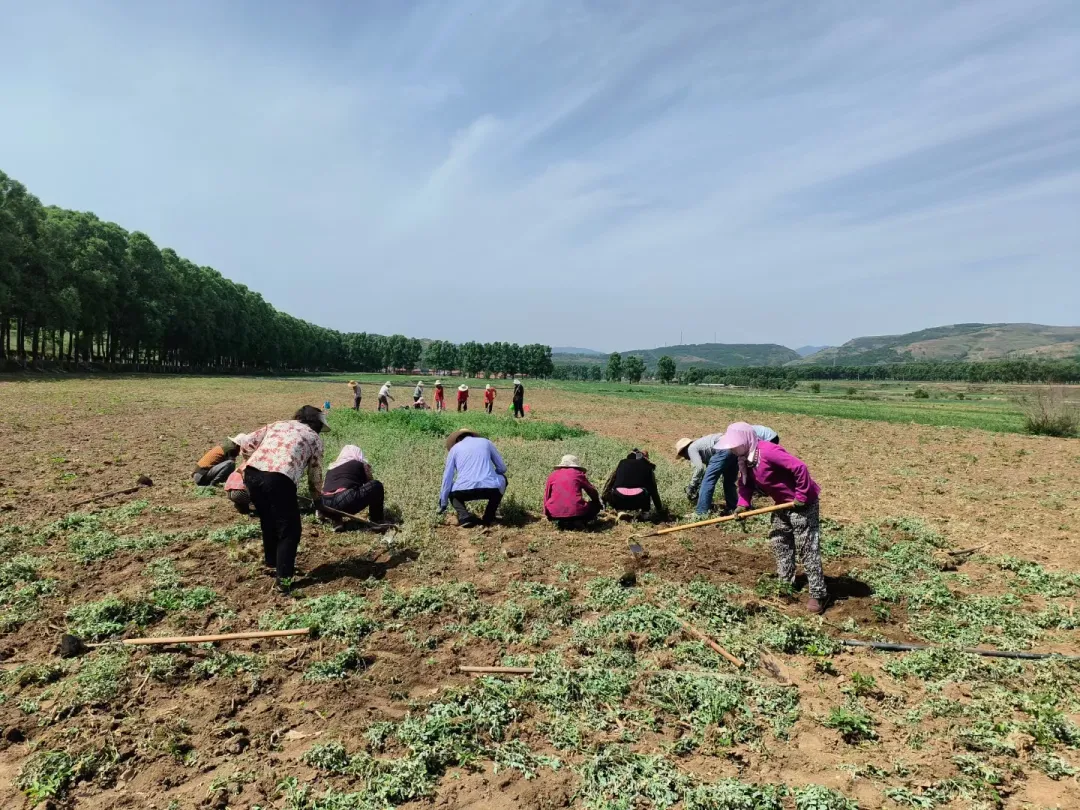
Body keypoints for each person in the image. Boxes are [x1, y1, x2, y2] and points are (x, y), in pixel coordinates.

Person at [719, 422, 827, 614]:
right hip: (781, 504)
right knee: (779, 541)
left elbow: (800, 468)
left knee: (806, 546)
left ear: (746, 440)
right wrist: (742, 504)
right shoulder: (745, 460)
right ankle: (786, 584)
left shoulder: (767, 451)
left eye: (735, 445)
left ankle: (818, 593)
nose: (732, 450)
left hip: (802, 503)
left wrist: (801, 496)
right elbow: (745, 484)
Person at [241, 406, 328, 588]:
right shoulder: (314, 438)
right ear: (315, 423)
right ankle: (284, 580)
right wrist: (318, 499)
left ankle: (272, 561)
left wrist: (249, 460)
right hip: (279, 479)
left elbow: (247, 442)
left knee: (268, 519)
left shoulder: (278, 425)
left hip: (252, 474)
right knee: (290, 530)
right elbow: (315, 474)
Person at [677, 425, 779, 517]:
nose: (685, 458)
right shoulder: (701, 445)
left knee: (708, 481)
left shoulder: (691, 449)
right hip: (733, 448)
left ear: (683, 451)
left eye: (682, 456)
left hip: (723, 449)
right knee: (729, 482)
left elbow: (699, 468)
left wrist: (692, 485)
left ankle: (701, 512)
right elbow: (710, 467)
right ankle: (733, 507)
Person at [438, 428, 507, 527]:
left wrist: (443, 503)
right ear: (472, 435)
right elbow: (502, 468)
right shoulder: (486, 442)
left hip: (463, 491)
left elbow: (447, 478)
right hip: (491, 489)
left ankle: (464, 516)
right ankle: (489, 517)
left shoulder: (454, 449)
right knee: (503, 479)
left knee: (450, 488)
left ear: (457, 440)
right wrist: (492, 476)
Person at [320, 445, 385, 531]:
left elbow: (323, 488)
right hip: (345, 501)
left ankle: (337, 520)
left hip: (325, 505)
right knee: (376, 486)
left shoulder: (331, 467)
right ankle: (376, 520)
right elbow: (370, 483)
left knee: (336, 495)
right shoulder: (360, 463)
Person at [544, 454, 602, 528]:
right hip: (577, 512)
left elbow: (546, 495)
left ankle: (564, 522)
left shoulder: (553, 475)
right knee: (594, 506)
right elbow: (591, 491)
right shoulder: (578, 474)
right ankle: (579, 521)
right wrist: (597, 502)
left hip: (554, 513)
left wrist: (547, 513)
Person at [602, 449, 664, 517]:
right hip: (637, 501)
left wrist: (603, 501)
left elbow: (609, 484)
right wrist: (660, 510)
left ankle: (620, 510)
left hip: (618, 500)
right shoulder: (647, 467)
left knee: (615, 489)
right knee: (648, 489)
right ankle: (645, 514)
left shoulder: (622, 462)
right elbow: (654, 491)